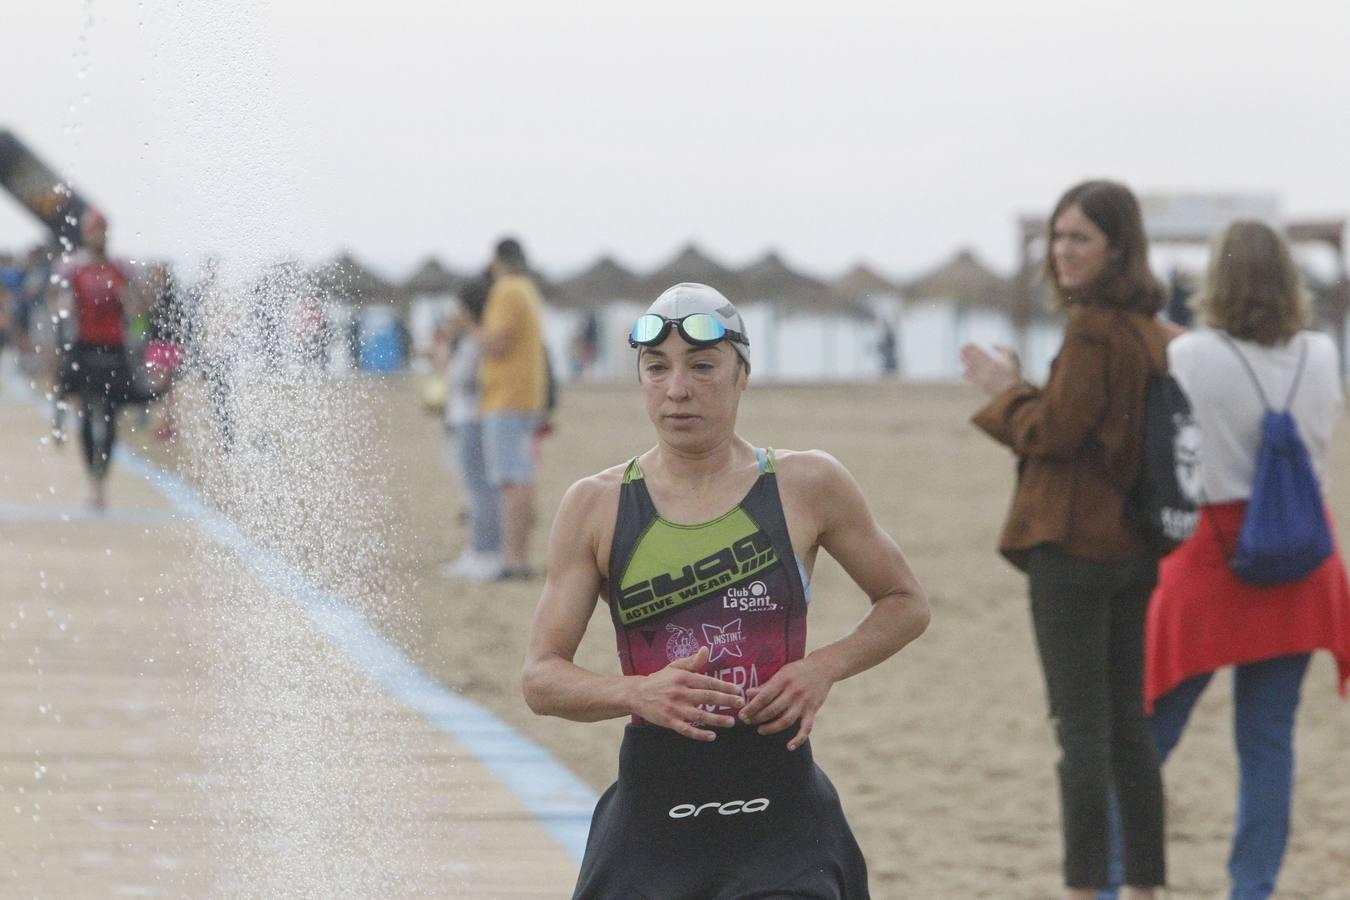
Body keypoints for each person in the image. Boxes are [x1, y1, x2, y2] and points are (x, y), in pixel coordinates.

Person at [522, 283, 930, 899]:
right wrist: (637, 692)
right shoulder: (597, 505)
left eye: (703, 367)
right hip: (656, 802)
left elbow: (905, 603)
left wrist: (822, 668)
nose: (677, 389)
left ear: (742, 375)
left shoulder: (806, 484)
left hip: (781, 800)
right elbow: (541, 678)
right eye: (656, 369)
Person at [960, 180, 1168, 899]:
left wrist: (1000, 391)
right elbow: (1092, 426)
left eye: (1080, 236)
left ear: (1116, 245)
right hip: (1134, 547)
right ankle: (1143, 885)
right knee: (1127, 734)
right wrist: (1027, 391)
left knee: (1081, 737)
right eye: (1058, 237)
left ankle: (1086, 888)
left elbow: (1056, 432)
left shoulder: (1093, 326)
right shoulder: (1148, 325)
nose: (1065, 250)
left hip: (1075, 550)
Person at [1139, 220, 1350, 900]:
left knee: (1147, 735)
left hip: (1213, 556)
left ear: (1216, 280)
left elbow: (1189, 378)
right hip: (1301, 556)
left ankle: (1112, 879)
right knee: (1268, 744)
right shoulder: (1323, 353)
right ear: (1291, 281)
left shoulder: (1193, 356)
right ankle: (1251, 889)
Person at [57, 209, 149, 509]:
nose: (99, 235)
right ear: (85, 233)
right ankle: (91, 478)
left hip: (113, 351)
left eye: (103, 230)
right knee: (84, 415)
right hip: (85, 349)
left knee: (109, 417)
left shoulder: (120, 269)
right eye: (94, 230)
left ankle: (101, 482)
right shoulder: (73, 270)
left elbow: (138, 314)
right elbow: (59, 310)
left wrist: (130, 300)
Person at [477, 238, 547, 578]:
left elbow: (498, 343)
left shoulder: (505, 289)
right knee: (523, 476)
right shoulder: (527, 289)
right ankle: (518, 555)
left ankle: (513, 558)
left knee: (511, 479)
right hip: (526, 395)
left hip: (506, 397)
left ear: (497, 261)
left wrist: (468, 328)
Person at [439, 277, 503, 581]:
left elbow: (462, 378)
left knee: (480, 490)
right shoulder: (472, 337)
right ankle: (477, 551)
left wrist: (444, 362)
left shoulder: (477, 339)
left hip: (472, 418)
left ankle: (485, 553)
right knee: (476, 488)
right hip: (468, 417)